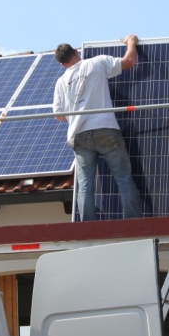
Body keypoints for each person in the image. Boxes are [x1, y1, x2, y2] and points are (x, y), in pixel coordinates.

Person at [53, 34, 142, 221]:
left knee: (85, 186)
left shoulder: (61, 82)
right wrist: (131, 42)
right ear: (76, 51)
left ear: (62, 64)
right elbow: (129, 61)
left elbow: (59, 115)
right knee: (123, 178)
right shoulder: (97, 62)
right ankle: (133, 221)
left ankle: (88, 227)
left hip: (79, 135)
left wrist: (77, 111)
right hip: (105, 128)